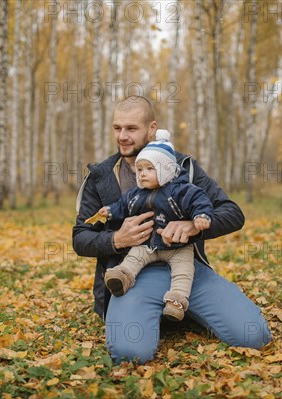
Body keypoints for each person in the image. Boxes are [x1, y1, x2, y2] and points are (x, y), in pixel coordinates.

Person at [72, 96, 271, 364]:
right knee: (131, 354)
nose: (122, 136)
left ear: (152, 128)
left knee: (254, 336)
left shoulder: (184, 168)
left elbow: (232, 213)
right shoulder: (100, 176)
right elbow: (80, 238)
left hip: (187, 269)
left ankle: (181, 306)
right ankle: (154, 312)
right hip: (133, 275)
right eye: (117, 128)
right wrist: (116, 239)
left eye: (131, 129)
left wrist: (193, 227)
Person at [90, 129, 213, 322]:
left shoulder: (181, 190)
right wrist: (111, 211)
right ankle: (122, 277)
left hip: (177, 247)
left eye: (150, 169)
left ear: (165, 170)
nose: (143, 174)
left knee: (184, 271)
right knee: (134, 257)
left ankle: (176, 302)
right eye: (140, 170)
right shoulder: (136, 194)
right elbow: (123, 205)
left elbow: (199, 200)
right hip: (148, 244)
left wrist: (200, 216)